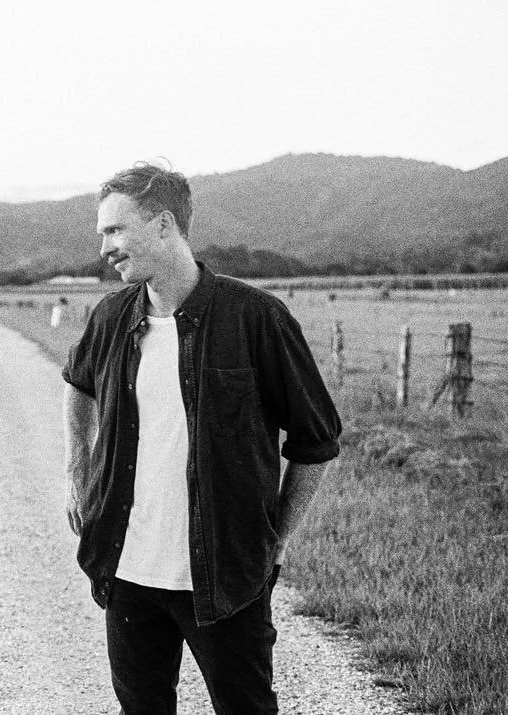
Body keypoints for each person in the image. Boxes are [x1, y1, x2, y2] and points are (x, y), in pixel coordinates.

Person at [62, 162, 341, 714]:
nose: (105, 249)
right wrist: (75, 471)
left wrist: (278, 539)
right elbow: (78, 383)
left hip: (224, 574)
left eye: (115, 230)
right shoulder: (111, 317)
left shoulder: (256, 318)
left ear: (164, 225)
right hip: (127, 570)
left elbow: (316, 440)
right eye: (102, 233)